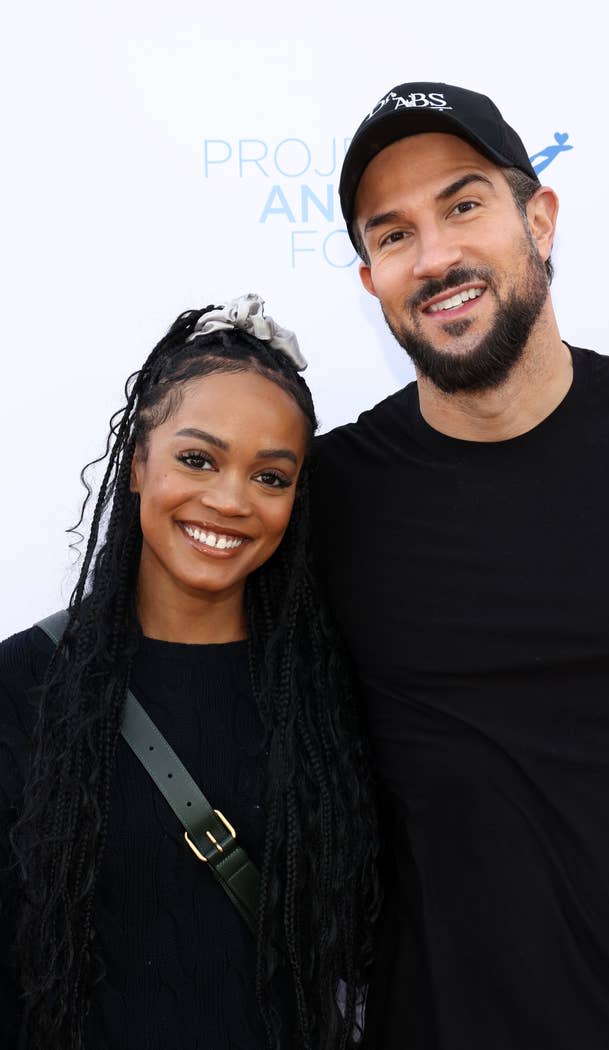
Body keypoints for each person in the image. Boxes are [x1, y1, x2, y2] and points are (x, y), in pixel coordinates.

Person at [311, 82, 609, 1049]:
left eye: (463, 204)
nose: (435, 256)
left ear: (541, 218)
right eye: (392, 234)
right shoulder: (329, 498)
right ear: (371, 282)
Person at [0, 294, 380, 1050]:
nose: (230, 500)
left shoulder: (329, 694)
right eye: (198, 459)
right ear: (139, 463)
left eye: (271, 477)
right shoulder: (22, 687)